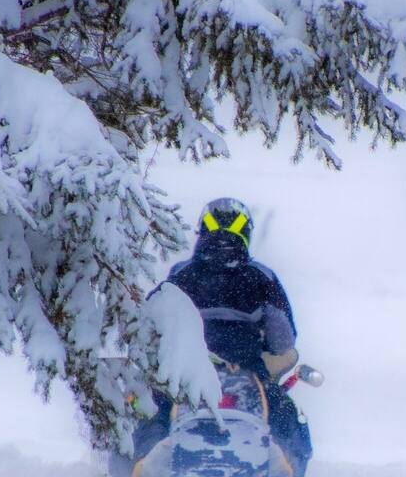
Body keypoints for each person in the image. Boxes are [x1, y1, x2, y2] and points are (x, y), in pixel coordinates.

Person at [129, 197, 311, 475]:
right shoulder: (262, 278)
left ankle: (137, 464)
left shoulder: (181, 275)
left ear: (203, 231)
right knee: (287, 419)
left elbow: (151, 322)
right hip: (249, 373)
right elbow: (283, 340)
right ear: (245, 233)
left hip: (188, 376)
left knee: (153, 413)